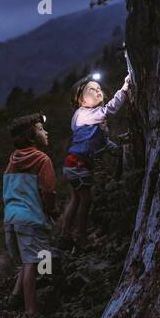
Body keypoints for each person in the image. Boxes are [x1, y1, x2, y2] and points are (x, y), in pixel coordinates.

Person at [58, 72, 133, 248]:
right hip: (78, 165)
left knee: (75, 200)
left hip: (74, 164)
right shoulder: (83, 114)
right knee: (86, 200)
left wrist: (118, 150)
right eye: (91, 89)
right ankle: (81, 237)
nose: (97, 91)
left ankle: (65, 235)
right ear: (81, 101)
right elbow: (110, 110)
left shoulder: (90, 118)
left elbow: (103, 141)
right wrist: (124, 88)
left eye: (99, 88)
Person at [2, 113, 58, 316]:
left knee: (29, 258)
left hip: (11, 219)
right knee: (33, 263)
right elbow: (49, 191)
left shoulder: (12, 162)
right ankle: (31, 312)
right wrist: (51, 210)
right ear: (31, 137)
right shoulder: (43, 160)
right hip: (32, 219)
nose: (46, 132)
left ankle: (15, 298)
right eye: (41, 129)